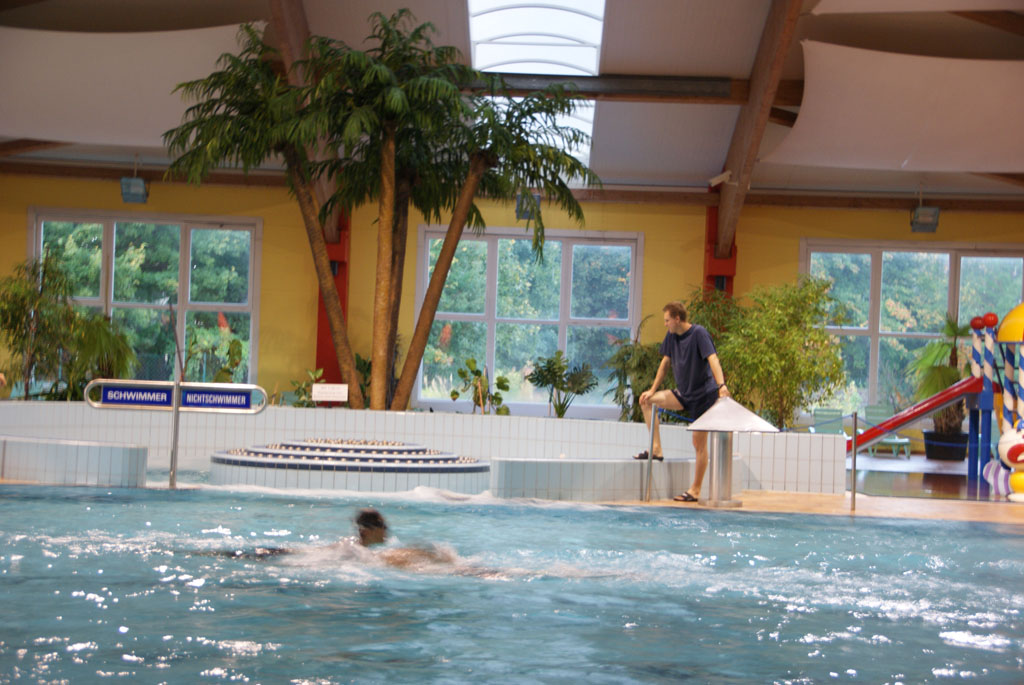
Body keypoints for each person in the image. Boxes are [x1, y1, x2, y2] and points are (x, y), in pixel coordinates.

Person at [637, 301, 729, 503]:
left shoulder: (699, 334)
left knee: (698, 443)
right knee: (646, 401)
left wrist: (721, 385)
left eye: (667, 320)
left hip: (704, 396)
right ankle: (656, 449)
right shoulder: (671, 336)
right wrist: (652, 390)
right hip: (684, 394)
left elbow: (713, 359)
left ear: (677, 319)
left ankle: (695, 490)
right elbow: (664, 364)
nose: (665, 324)